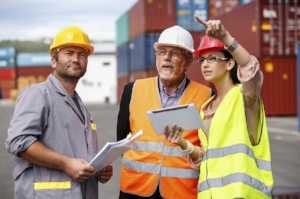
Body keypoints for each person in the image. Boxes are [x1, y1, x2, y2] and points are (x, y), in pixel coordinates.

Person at [164, 16, 274, 199]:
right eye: (203, 60)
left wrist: (225, 38)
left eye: (212, 58)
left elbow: (250, 68)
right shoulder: (206, 106)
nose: (205, 64)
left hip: (243, 194)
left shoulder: (244, 97)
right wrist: (182, 143)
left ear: (230, 63)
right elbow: (207, 157)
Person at [6, 26, 113, 199]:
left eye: (82, 55)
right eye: (69, 53)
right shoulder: (38, 94)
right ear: (54, 61)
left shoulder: (82, 109)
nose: (76, 59)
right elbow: (18, 141)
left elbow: (78, 157)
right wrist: (66, 164)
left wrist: (97, 170)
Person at [117, 25, 214, 199]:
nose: (166, 58)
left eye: (174, 53)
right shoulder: (133, 91)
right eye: (162, 52)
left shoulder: (207, 97)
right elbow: (122, 141)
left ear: (187, 62)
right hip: (134, 190)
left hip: (182, 192)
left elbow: (209, 151)